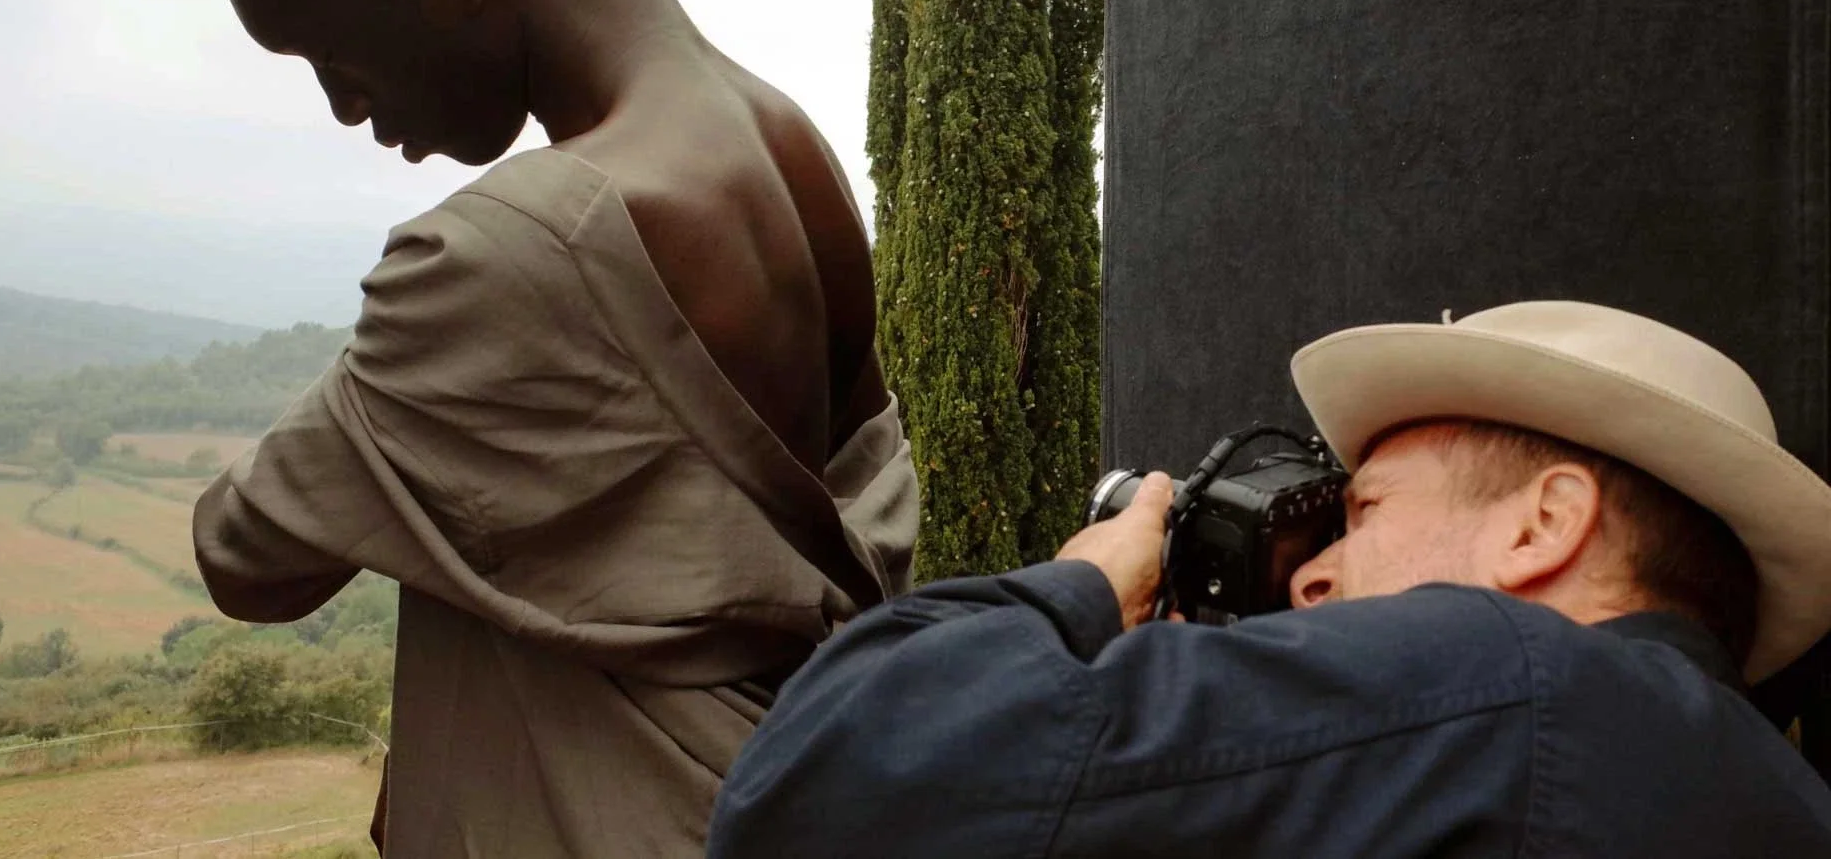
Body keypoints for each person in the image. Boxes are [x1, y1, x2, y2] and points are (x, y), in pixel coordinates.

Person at [190, 0, 919, 855]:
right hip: (800, 797)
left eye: (331, 56)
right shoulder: (789, 145)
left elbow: (246, 558)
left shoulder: (513, 247)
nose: (344, 107)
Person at [707, 300, 1831, 857]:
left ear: (1542, 527)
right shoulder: (1764, 796)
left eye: (1361, 516)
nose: (1308, 583)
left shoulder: (1510, 682)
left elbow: (827, 785)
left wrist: (1090, 579)